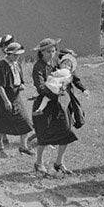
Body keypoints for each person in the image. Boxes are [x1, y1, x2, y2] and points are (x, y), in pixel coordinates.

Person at [31, 38, 81, 175]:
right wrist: (54, 91)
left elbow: (62, 77)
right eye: (48, 51)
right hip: (44, 103)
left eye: (53, 51)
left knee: (65, 131)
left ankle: (59, 163)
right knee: (44, 134)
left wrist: (64, 85)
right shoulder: (38, 67)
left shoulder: (53, 64)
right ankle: (39, 163)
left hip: (57, 104)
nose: (51, 54)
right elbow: (40, 86)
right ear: (41, 52)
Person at [0, 41, 34, 156]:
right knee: (1, 123)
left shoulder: (17, 64)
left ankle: (23, 146)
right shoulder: (1, 65)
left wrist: (21, 85)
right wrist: (6, 101)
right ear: (8, 54)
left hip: (16, 97)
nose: (17, 57)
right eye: (14, 55)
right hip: (3, 97)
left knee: (25, 121)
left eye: (18, 55)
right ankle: (0, 147)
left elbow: (20, 79)